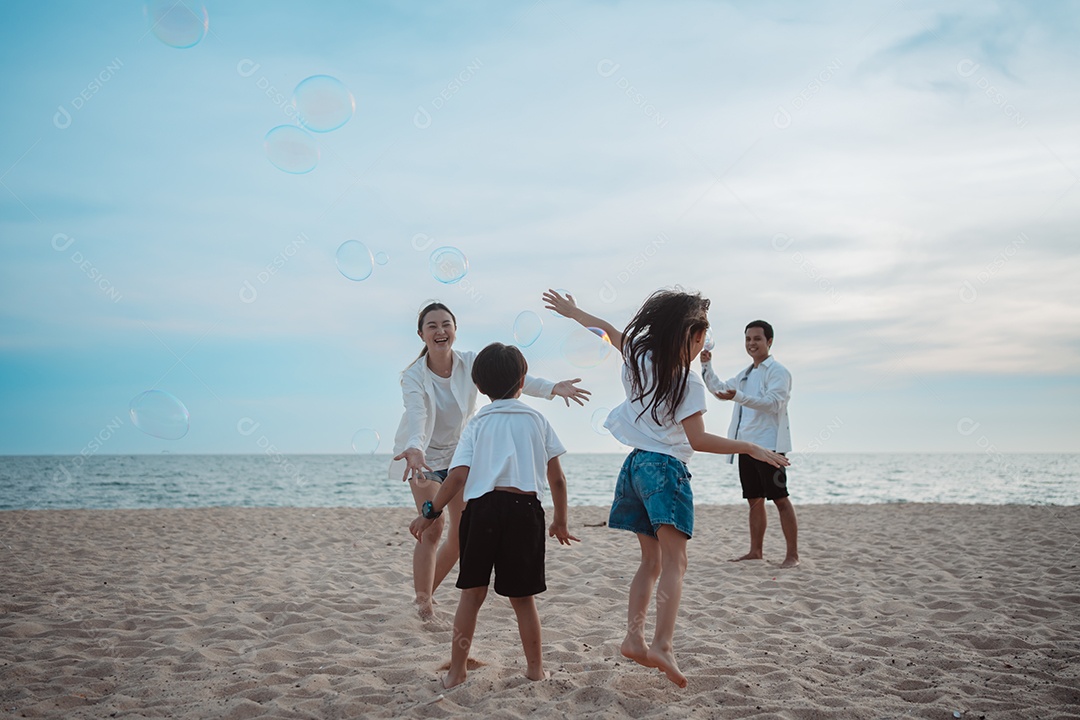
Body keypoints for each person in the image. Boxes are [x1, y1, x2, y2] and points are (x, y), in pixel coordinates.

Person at [542, 288, 789, 688]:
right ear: (690, 335)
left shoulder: (639, 356)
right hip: (665, 471)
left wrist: (572, 312)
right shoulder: (685, 381)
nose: (702, 348)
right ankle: (662, 644)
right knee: (676, 563)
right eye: (702, 340)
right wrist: (750, 446)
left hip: (635, 467)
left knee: (651, 563)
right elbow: (698, 440)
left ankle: (634, 636)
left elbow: (604, 330)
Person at [391, 302, 589, 620]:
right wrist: (414, 447)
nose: (440, 331)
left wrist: (553, 387)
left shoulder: (470, 362)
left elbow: (516, 377)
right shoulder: (413, 376)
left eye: (446, 324)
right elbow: (417, 414)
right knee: (433, 527)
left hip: (461, 454)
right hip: (422, 458)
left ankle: (426, 595)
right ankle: (423, 605)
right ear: (421, 334)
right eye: (432, 326)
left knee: (460, 533)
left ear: (454, 329)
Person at [409, 342, 579, 689]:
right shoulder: (537, 419)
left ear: (479, 386)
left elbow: (457, 477)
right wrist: (560, 520)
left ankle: (457, 672)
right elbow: (557, 478)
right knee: (523, 600)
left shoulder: (477, 424)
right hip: (525, 512)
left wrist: (430, 512)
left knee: (471, 595)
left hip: (482, 511)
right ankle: (535, 670)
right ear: (521, 381)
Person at [700, 320, 798, 568]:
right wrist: (706, 365)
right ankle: (756, 552)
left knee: (780, 499)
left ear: (769, 342)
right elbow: (720, 390)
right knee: (754, 500)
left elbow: (774, 403)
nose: (751, 343)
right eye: (748, 339)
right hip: (745, 445)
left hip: (769, 446)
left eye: (757, 339)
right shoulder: (744, 375)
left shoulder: (778, 372)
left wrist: (740, 397)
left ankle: (792, 556)